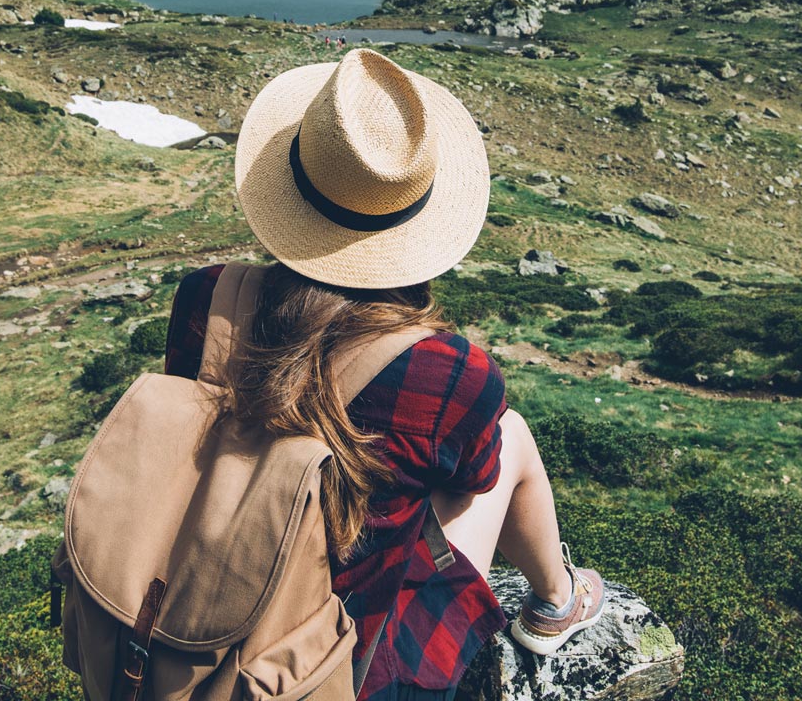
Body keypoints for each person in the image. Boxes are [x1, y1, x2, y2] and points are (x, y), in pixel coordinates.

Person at [163, 47, 605, 701]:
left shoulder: (206, 298)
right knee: (509, 437)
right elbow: (474, 480)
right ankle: (557, 600)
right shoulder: (447, 370)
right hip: (337, 664)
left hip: (196, 626)